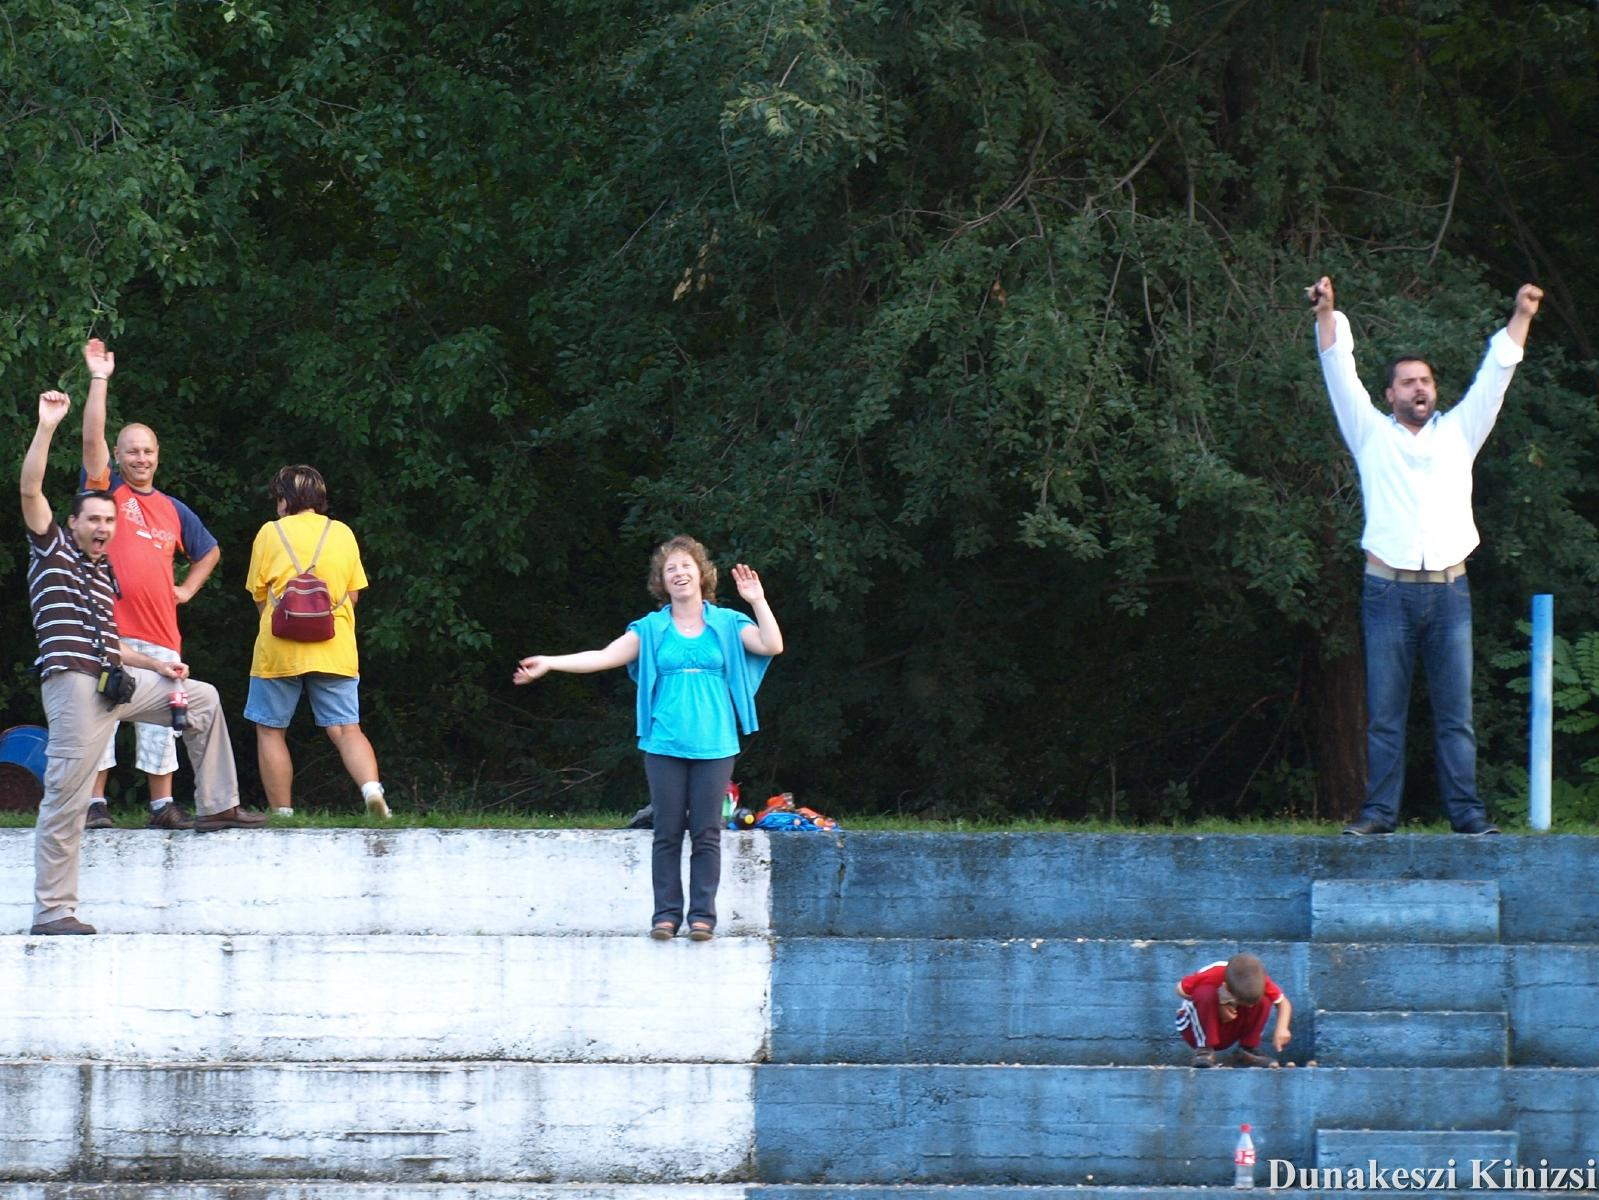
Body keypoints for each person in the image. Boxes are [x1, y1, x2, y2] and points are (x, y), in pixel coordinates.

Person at [22, 391, 263, 935]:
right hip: (74, 687)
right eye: (95, 519)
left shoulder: (102, 572)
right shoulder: (52, 547)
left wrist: (163, 671)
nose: (104, 527)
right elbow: (30, 487)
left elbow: (113, 642)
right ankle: (54, 912)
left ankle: (217, 804)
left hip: (119, 678)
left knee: (201, 698)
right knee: (66, 798)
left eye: (110, 520)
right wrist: (45, 427)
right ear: (74, 520)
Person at [1311, 276, 1543, 836]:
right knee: (1386, 717)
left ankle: (1467, 816)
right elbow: (1339, 373)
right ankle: (1378, 814)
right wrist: (1326, 314)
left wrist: (1523, 315)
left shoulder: (1461, 432)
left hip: (1448, 592)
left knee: (1455, 717)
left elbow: (1496, 376)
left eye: (1427, 381)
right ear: (1389, 395)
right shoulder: (1370, 433)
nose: (1420, 388)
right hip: (1386, 590)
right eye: (1408, 382)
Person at [513, 536, 783, 941]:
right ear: (662, 580)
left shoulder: (728, 622)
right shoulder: (651, 628)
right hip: (664, 743)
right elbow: (603, 656)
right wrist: (550, 663)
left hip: (715, 742)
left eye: (685, 565)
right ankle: (666, 916)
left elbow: (772, 645)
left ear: (701, 574)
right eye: (670, 568)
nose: (679, 573)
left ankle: (702, 917)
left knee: (707, 831)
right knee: (667, 830)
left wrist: (757, 600)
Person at [79, 338, 223, 831]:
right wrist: (99, 379)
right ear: (117, 456)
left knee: (164, 726)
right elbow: (90, 439)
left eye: (148, 451)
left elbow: (210, 551)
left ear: (158, 456)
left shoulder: (173, 508)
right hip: (111, 630)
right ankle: (95, 805)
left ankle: (162, 806)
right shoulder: (107, 492)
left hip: (162, 634)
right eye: (131, 451)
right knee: (102, 714)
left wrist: (185, 589)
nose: (140, 458)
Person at [244, 465, 388, 819]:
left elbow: (259, 597)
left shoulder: (269, 533)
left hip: (278, 648)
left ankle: (283, 814)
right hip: (334, 646)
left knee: (271, 730)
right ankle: (372, 791)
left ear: (284, 499)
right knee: (345, 728)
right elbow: (352, 596)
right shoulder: (342, 533)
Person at [1174, 953, 1291, 1068]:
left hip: (1228, 1028)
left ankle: (1247, 1050)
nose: (1249, 1008)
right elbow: (1180, 989)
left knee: (1264, 1000)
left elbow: (1283, 1003)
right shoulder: (1214, 973)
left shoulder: (1259, 979)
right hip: (1193, 1029)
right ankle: (1204, 1050)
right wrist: (1219, 1003)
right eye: (1242, 1002)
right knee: (1204, 994)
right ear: (1226, 987)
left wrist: (1282, 1028)